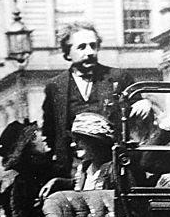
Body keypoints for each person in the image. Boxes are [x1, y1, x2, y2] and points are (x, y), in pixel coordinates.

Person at [41, 22, 149, 178]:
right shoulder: (55, 87)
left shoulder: (119, 78)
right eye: (82, 47)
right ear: (67, 52)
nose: (90, 52)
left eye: (93, 46)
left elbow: (138, 118)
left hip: (115, 167)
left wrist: (143, 103)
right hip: (73, 171)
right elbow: (50, 133)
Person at [0, 121, 53, 217]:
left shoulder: (52, 168)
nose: (44, 138)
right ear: (29, 144)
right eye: (37, 136)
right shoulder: (13, 175)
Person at [70, 112, 117, 217]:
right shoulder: (83, 170)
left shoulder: (114, 170)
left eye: (80, 140)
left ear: (96, 142)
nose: (74, 144)